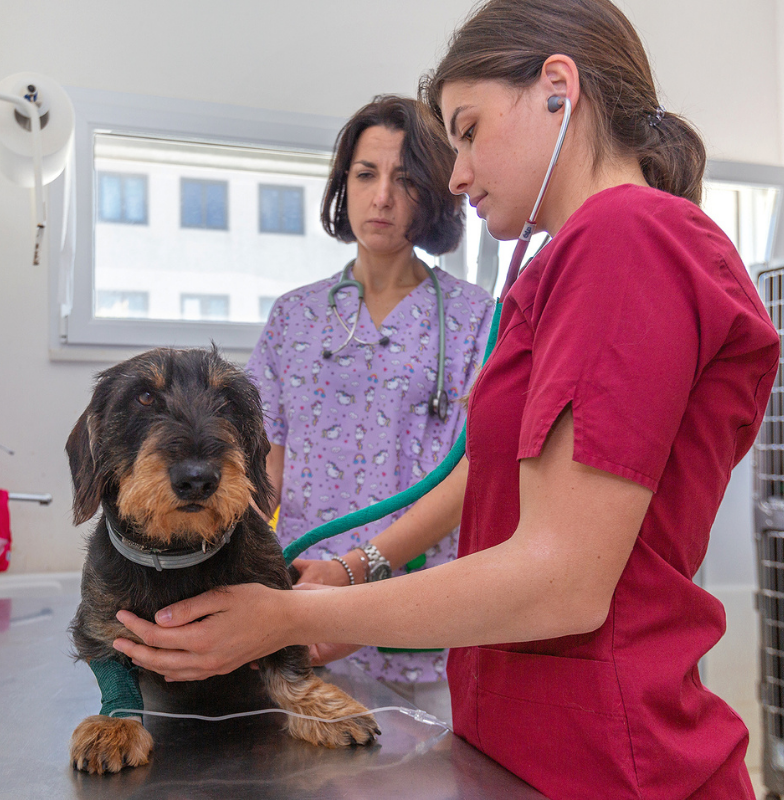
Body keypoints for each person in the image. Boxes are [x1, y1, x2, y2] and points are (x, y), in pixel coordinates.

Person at [113, 1, 779, 796]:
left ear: (558, 89)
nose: (456, 174)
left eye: (467, 130)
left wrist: (291, 617)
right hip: (531, 739)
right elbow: (501, 479)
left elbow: (563, 579)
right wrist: (348, 575)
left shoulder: (629, 237)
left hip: (612, 755)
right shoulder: (571, 263)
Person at [244, 95, 495, 721]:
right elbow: (260, 465)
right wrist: (243, 566)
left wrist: (358, 569)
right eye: (365, 174)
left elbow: (472, 475)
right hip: (304, 608)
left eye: (404, 179)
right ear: (343, 185)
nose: (382, 197)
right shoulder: (294, 317)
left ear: (433, 193)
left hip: (420, 613)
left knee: (429, 766)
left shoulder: (475, 320)